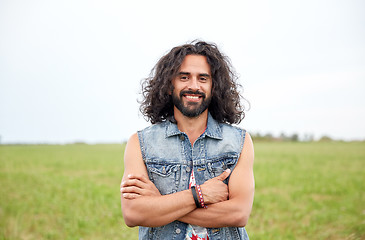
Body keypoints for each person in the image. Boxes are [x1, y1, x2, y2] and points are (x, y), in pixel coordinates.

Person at [120, 40, 255, 240]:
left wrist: (160, 203)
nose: (194, 86)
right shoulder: (139, 144)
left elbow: (238, 214)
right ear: (169, 85)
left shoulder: (239, 141)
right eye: (184, 77)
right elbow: (133, 213)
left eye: (203, 78)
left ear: (213, 87)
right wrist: (199, 195)